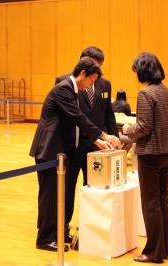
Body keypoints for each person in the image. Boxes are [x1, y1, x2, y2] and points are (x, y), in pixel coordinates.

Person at [30, 57, 114, 252]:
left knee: (57, 194)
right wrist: (102, 134)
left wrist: (98, 141)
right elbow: (78, 117)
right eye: (91, 79)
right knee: (49, 196)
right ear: (83, 73)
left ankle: (56, 232)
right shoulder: (64, 88)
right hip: (49, 148)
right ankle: (44, 238)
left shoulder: (73, 89)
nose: (92, 84)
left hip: (60, 149)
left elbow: (77, 121)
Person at [55, 47, 121, 239]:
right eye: (93, 64)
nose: (97, 69)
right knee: (68, 188)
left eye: (100, 65)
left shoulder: (105, 85)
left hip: (97, 147)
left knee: (94, 189)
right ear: (83, 63)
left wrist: (113, 137)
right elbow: (73, 116)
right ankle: (63, 227)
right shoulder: (64, 82)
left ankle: (90, 226)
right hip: (74, 146)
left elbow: (108, 114)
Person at [123, 52, 168, 263]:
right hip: (167, 152)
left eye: (136, 70)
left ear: (144, 70)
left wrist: (128, 129)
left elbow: (144, 127)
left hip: (150, 154)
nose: (135, 74)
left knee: (151, 202)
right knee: (162, 198)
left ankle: (154, 251)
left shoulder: (146, 94)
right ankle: (164, 247)